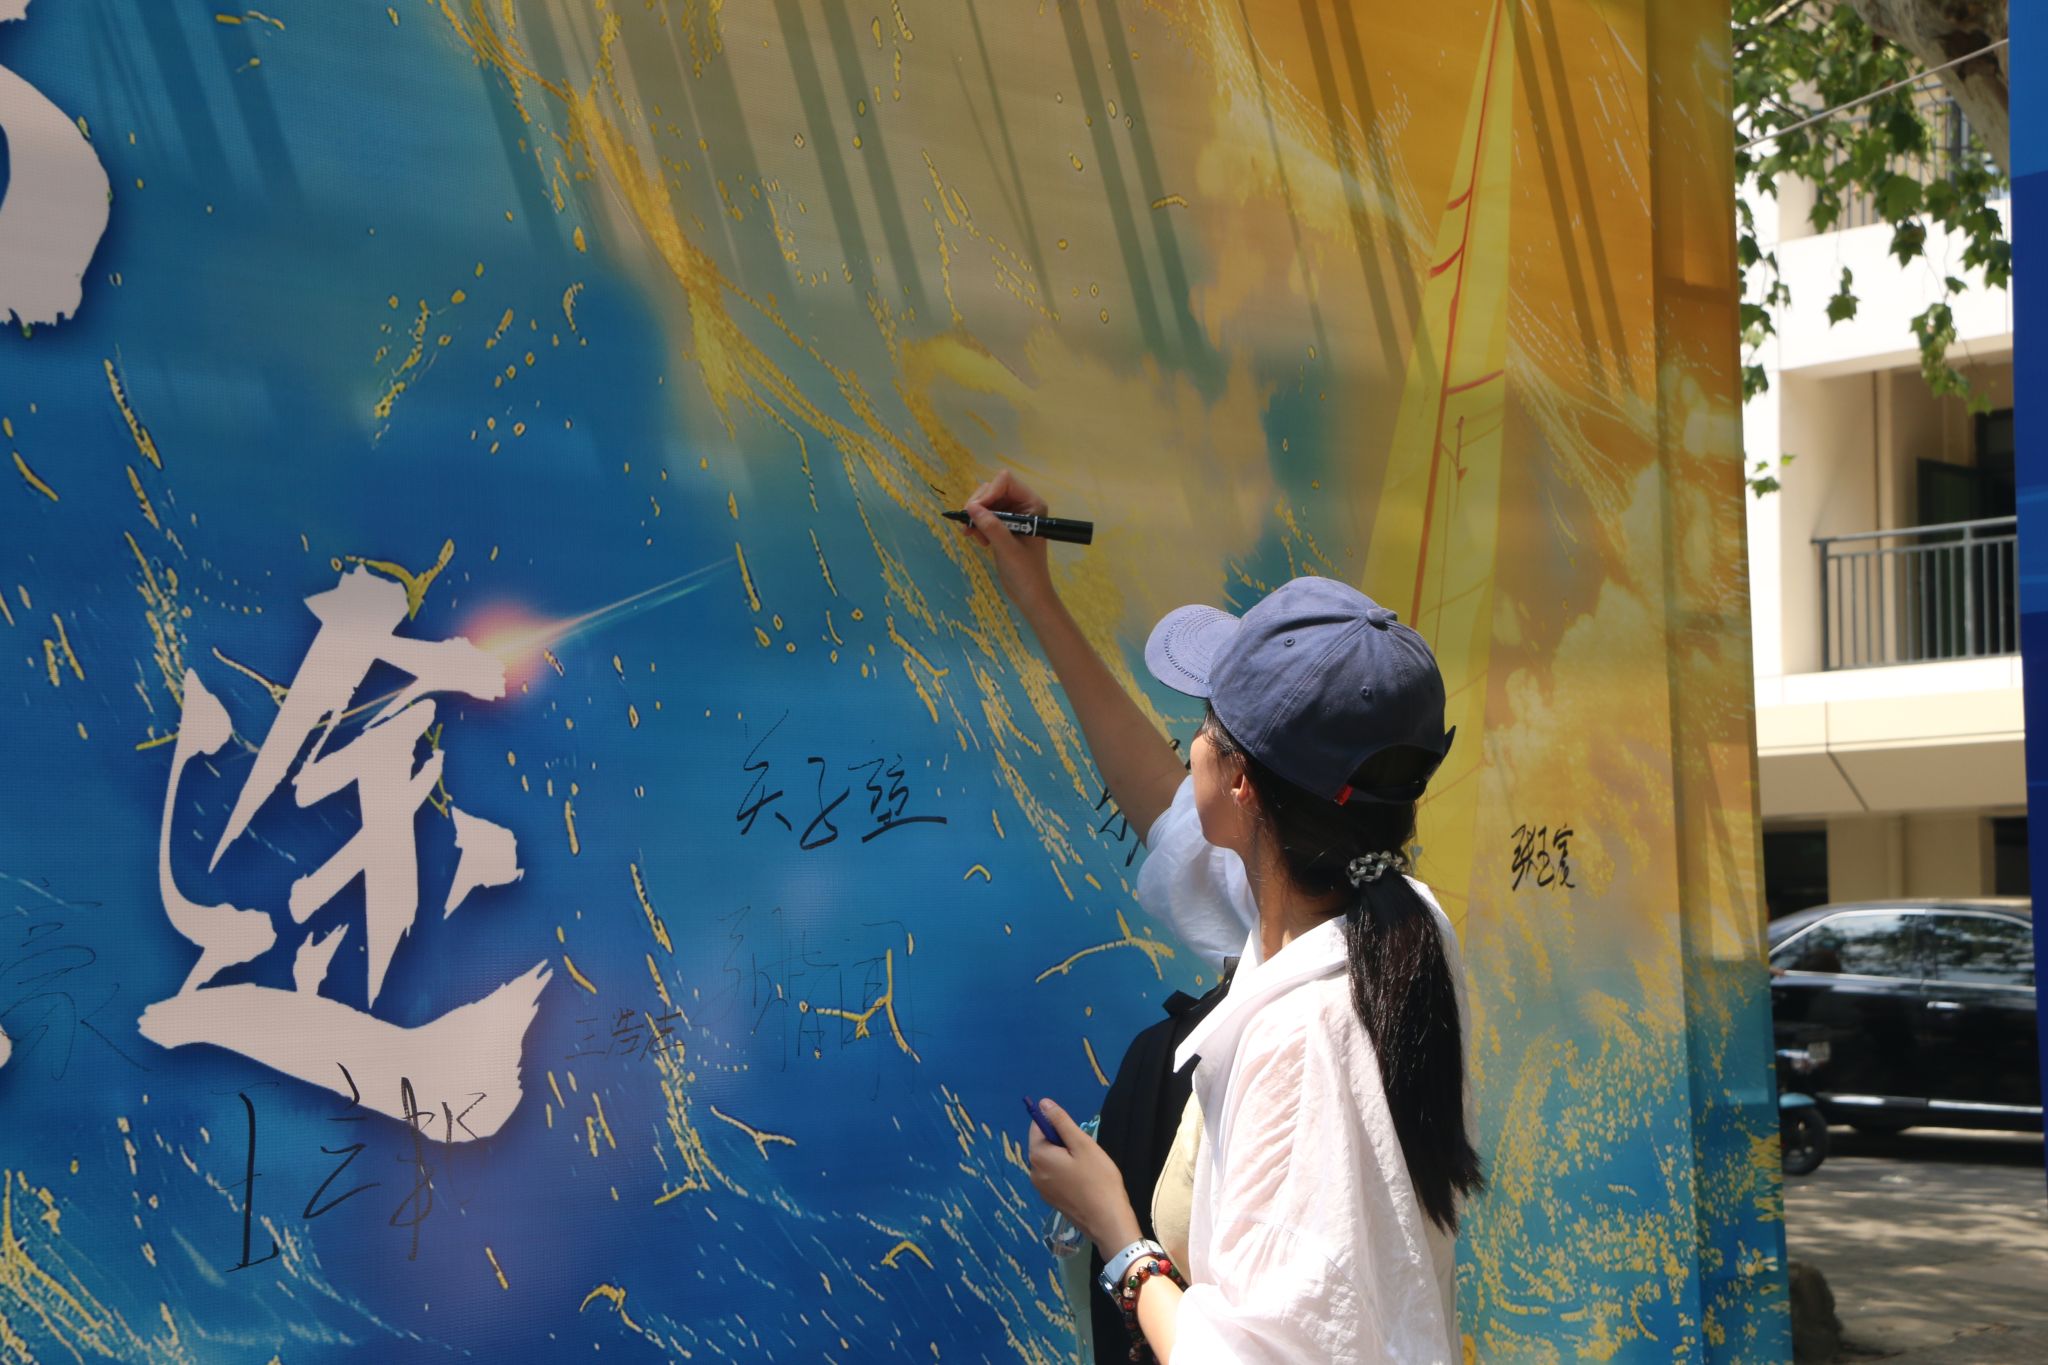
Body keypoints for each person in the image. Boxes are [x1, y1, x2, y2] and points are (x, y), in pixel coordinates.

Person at [960, 472, 1482, 1363]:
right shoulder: (1386, 921)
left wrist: (1116, 1230)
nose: (1190, 740)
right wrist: (1037, 594)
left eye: (1205, 721)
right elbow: (1166, 805)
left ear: (1240, 784)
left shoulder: (1306, 1037)